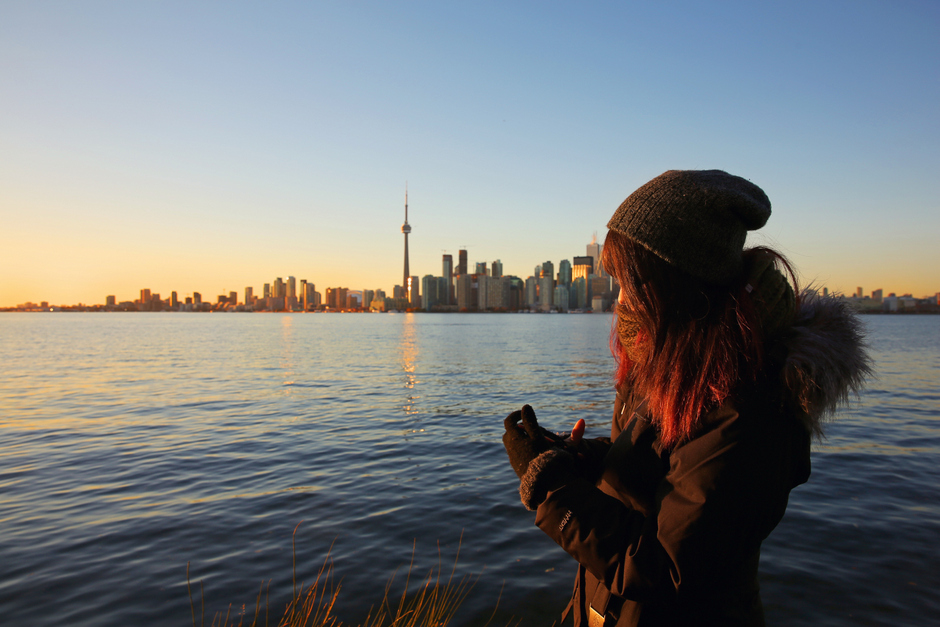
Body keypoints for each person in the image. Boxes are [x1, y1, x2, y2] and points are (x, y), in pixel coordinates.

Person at [502, 170, 871, 626]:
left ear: (674, 283)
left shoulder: (748, 412)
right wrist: (576, 460)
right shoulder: (667, 359)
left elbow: (664, 569)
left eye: (630, 281)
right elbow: (659, 463)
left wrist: (552, 490)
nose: (620, 300)